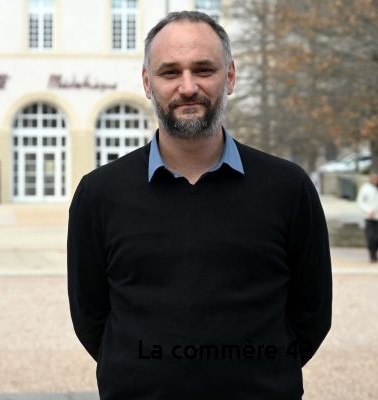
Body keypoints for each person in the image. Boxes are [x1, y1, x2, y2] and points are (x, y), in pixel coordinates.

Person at [67, 11, 332, 399]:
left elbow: (312, 314)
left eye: (203, 69)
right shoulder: (99, 194)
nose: (187, 86)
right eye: (170, 72)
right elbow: (90, 318)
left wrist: (263, 372)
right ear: (147, 82)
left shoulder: (288, 188)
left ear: (230, 76)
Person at [356, 172, 378, 262]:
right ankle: (372, 255)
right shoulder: (365, 188)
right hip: (369, 217)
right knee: (371, 237)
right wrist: (368, 210)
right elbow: (360, 201)